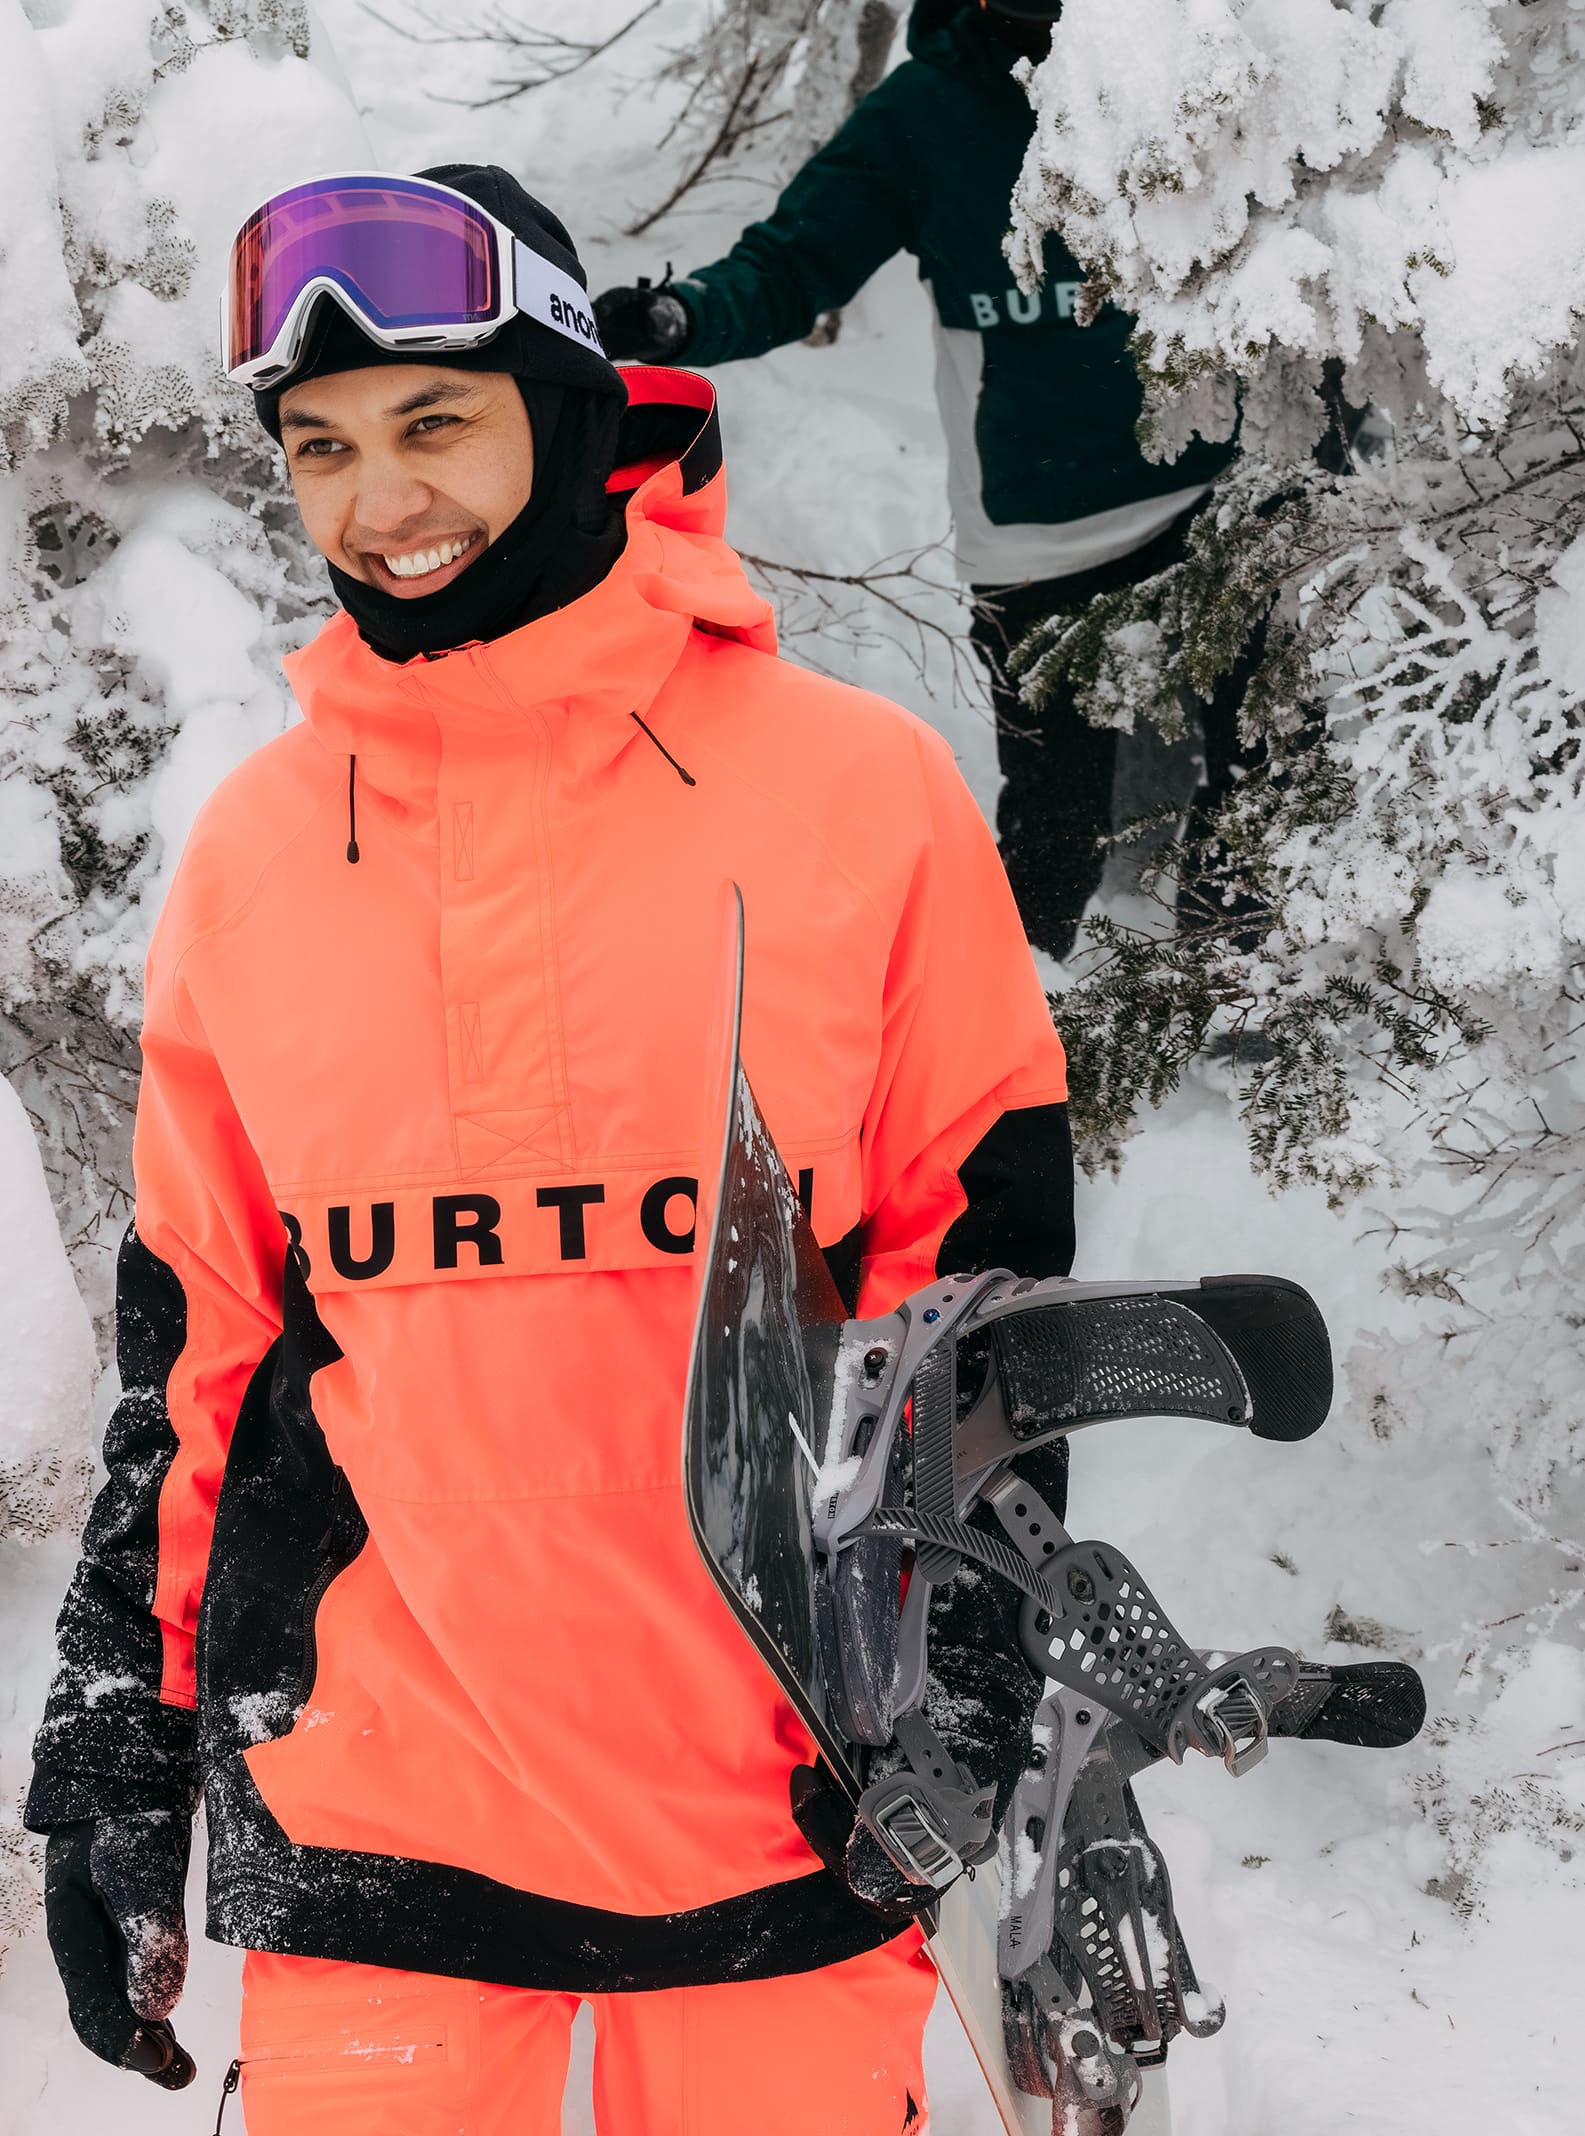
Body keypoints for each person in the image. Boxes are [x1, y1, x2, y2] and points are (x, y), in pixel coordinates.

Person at [27, 165, 1077, 2135]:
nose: (378, 500)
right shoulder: (260, 857)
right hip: (370, 1818)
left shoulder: (861, 797)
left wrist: (973, 1652)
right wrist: (118, 1732)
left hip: (792, 1817)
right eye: (323, 446)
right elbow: (198, 1353)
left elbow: (983, 1288)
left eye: (435, 422)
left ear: (572, 408)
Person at [595, 0, 1241, 961]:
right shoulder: (929, 109)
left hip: (1218, 490)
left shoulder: (1191, 53)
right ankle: (1024, 1010)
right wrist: (682, 319)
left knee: (1257, 771)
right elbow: (796, 262)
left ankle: (1247, 999)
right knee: (1053, 821)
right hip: (1037, 530)